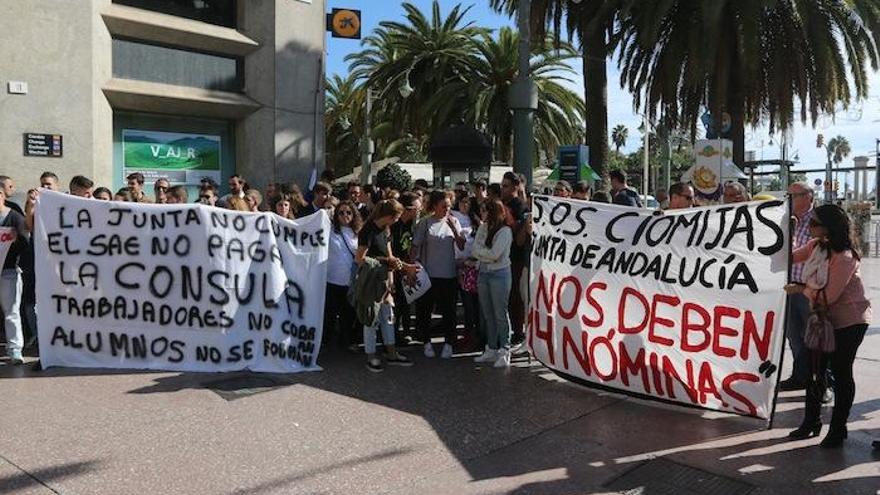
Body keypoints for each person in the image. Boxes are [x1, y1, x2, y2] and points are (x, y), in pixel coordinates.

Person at [784, 204, 872, 448]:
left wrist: (801, 288)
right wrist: (784, 232)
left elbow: (829, 296)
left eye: (813, 223)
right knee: (815, 372)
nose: (809, 226)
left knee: (841, 373)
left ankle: (838, 427)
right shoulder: (816, 246)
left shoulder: (844, 257)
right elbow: (789, 256)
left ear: (827, 227)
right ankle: (810, 422)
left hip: (848, 321)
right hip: (821, 321)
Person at [355, 199, 418, 372]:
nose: (398, 220)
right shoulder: (367, 231)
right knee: (371, 318)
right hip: (370, 280)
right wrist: (386, 261)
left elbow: (390, 255)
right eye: (396, 217)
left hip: (384, 279)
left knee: (388, 316)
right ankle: (371, 356)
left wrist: (392, 276)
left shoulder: (386, 229)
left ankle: (391, 353)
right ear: (389, 216)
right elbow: (360, 258)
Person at [412, 190, 466, 359]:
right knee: (425, 310)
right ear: (434, 206)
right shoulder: (425, 223)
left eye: (449, 206)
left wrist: (454, 230)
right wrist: (411, 267)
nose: (446, 209)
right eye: (443, 206)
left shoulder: (454, 220)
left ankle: (449, 342)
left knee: (449, 311)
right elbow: (415, 247)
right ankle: (426, 342)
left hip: (448, 274)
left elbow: (461, 246)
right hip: (429, 274)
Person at [471, 199, 514, 368]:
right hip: (483, 273)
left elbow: (496, 254)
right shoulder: (483, 227)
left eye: (485, 210)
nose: (482, 214)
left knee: (500, 313)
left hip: (499, 274)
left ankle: (504, 349)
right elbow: (475, 249)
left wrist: (482, 254)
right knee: (487, 314)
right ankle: (491, 347)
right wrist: (483, 254)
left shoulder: (505, 231)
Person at [782, 182, 816, 392]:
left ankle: (821, 382)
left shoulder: (819, 221)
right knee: (794, 336)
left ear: (808, 197)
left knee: (815, 337)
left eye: (794, 195)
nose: (790, 200)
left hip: (810, 290)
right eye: (789, 195)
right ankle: (800, 376)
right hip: (788, 287)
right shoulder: (785, 220)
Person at [325, 201, 363, 352]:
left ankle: (346, 341)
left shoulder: (359, 232)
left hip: (351, 281)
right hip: (332, 280)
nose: (345, 215)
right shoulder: (330, 230)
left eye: (348, 212)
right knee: (330, 313)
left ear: (354, 215)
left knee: (348, 314)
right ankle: (326, 342)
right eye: (341, 212)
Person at [500, 172, 529, 347]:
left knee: (515, 297)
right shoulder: (501, 204)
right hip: (501, 257)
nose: (502, 189)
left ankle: (518, 333)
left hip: (515, 257)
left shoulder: (520, 207)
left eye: (506, 186)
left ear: (515, 187)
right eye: (502, 185)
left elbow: (519, 238)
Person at [0, 187, 28, 365]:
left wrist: (16, 241)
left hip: (8, 271)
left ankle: (15, 350)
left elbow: (26, 243)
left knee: (11, 312)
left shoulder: (14, 217)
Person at [390, 192, 421, 343]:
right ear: (408, 209)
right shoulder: (394, 226)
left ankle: (403, 333)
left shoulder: (410, 224)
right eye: (417, 208)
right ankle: (392, 336)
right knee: (396, 305)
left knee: (405, 303)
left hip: (405, 268)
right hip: (393, 270)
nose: (419, 211)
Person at [453, 195, 482, 352]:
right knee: (467, 304)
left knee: (474, 304)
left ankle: (476, 334)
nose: (465, 205)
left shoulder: (477, 221)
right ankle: (468, 333)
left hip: (474, 266)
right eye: (462, 202)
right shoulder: (453, 218)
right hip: (460, 266)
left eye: (468, 202)